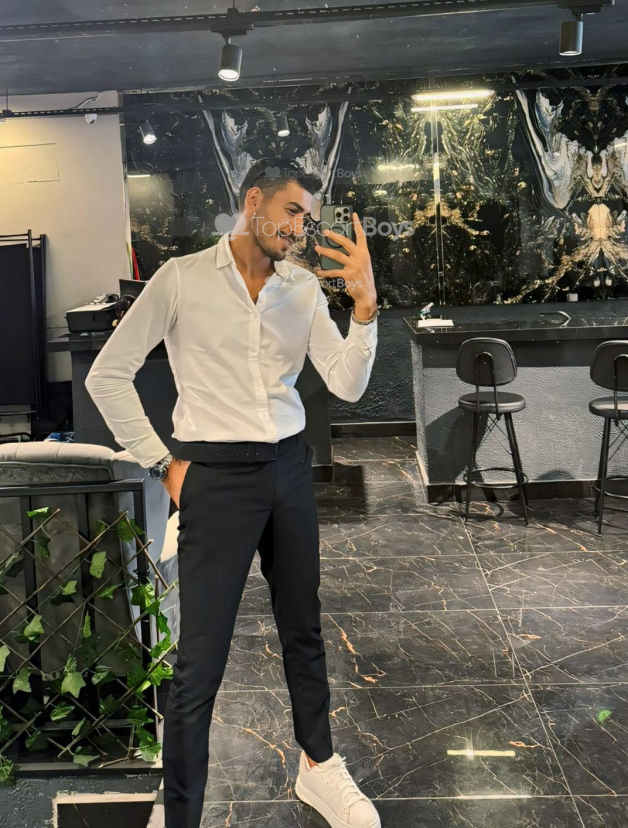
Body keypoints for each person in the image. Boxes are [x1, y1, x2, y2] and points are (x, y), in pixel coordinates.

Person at [86, 158, 380, 828]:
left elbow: (346, 383)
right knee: (201, 660)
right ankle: (181, 812)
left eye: (308, 217)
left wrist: (364, 311)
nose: (300, 228)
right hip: (213, 478)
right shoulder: (181, 279)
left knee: (303, 628)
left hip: (288, 470)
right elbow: (107, 376)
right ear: (254, 202)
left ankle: (318, 766)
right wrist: (163, 463)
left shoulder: (302, 289)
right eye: (292, 211)